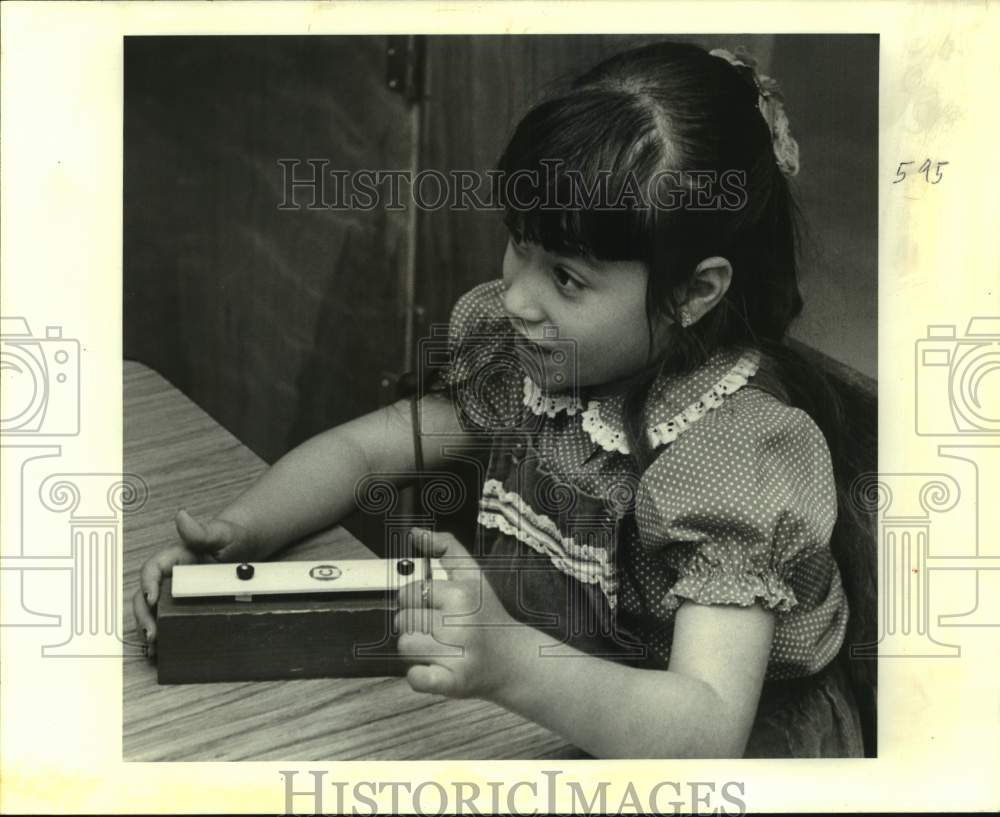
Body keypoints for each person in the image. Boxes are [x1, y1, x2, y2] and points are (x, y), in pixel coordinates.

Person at [133, 40, 873, 758]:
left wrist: (513, 662)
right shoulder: (529, 360)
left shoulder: (731, 454)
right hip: (555, 696)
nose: (516, 297)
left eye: (567, 279)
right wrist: (244, 531)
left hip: (718, 743)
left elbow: (705, 728)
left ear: (694, 292)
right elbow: (363, 449)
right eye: (520, 243)